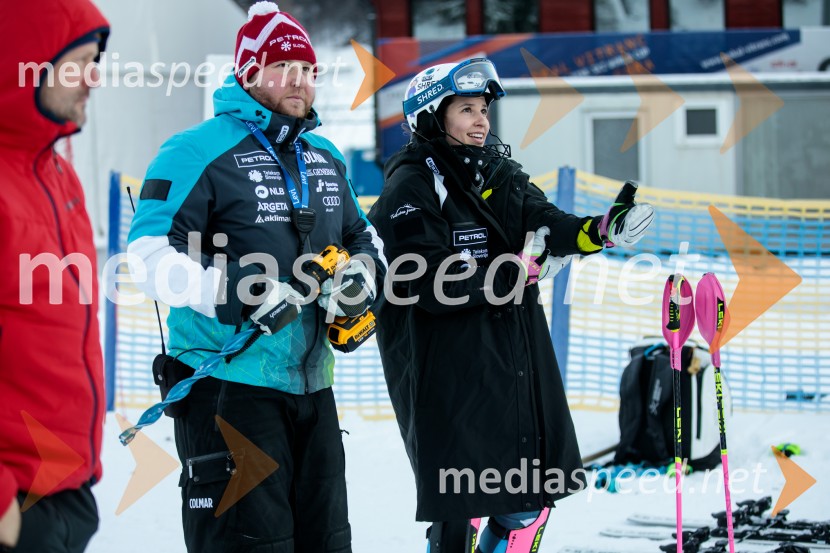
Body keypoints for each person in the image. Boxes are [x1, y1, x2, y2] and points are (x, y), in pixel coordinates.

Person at [126, 3, 385, 552]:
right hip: (228, 391)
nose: (299, 80)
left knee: (327, 543)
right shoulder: (195, 149)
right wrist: (241, 288)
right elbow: (148, 255)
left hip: (314, 390)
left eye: (308, 69)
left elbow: (366, 239)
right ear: (247, 73)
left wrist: (359, 278)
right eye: (282, 67)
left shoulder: (324, 155)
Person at [367, 58, 654, 552]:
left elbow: (546, 222)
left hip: (512, 362)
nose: (481, 120)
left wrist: (600, 230)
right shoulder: (410, 187)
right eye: (466, 110)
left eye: (484, 109)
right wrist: (513, 273)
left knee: (526, 500)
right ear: (432, 118)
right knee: (460, 509)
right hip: (449, 374)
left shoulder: (499, 174)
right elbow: (428, 279)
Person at [0, 1, 109, 552]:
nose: (94, 79)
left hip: (65, 492)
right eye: (80, 62)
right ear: (25, 63)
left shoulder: (58, 174)